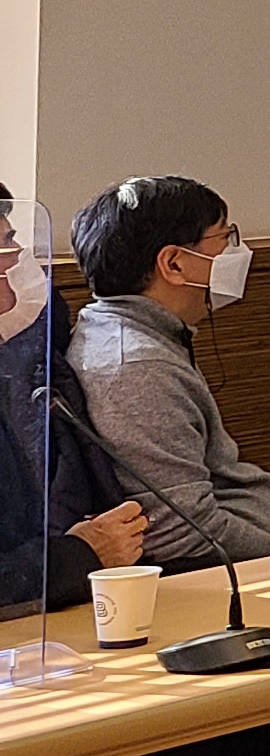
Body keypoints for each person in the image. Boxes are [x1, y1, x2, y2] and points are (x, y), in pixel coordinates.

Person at [66, 176, 270, 566]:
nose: (235, 252)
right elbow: (181, 531)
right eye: (225, 237)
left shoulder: (144, 336)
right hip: (225, 576)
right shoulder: (137, 368)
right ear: (174, 263)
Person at [0, 182, 146, 612]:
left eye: (13, 237)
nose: (20, 257)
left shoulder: (35, 354)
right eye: (5, 247)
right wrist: (79, 555)